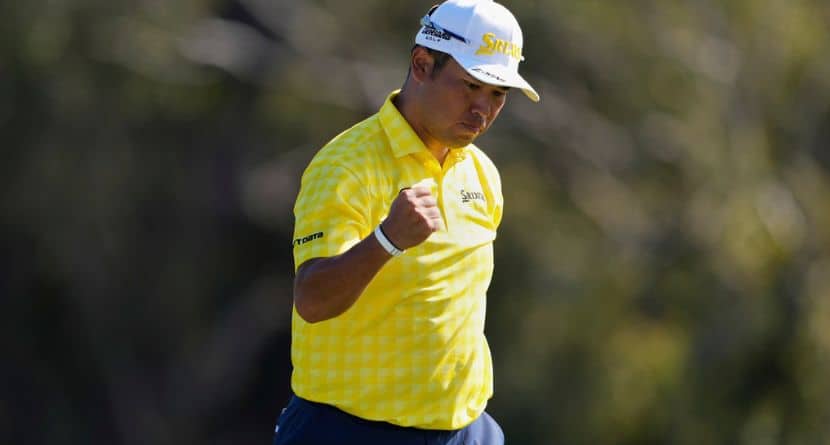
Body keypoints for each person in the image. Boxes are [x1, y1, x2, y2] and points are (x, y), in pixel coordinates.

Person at [274, 1, 539, 443]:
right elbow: (313, 301)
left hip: (463, 430)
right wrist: (386, 240)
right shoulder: (345, 165)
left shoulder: (482, 173)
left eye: (497, 94)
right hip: (348, 430)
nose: (482, 109)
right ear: (421, 64)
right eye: (471, 86)